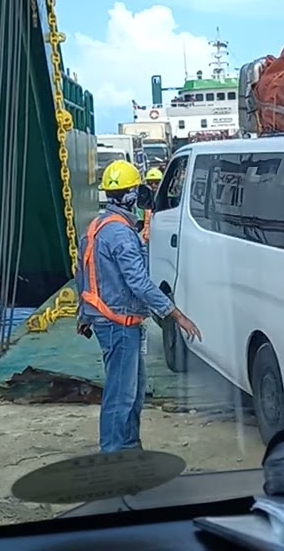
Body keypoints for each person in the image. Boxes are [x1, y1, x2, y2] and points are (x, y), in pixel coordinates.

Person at [76, 159, 202, 453]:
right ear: (131, 195)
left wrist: (84, 314)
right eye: (138, 189)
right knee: (121, 394)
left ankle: (130, 446)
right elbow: (139, 283)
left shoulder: (96, 227)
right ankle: (114, 452)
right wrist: (175, 314)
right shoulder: (121, 234)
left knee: (133, 391)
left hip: (109, 321)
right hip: (119, 323)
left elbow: (82, 272)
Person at [139, 167, 163, 245]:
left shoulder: (166, 199)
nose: (153, 185)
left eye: (156, 182)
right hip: (147, 240)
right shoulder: (142, 202)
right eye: (150, 183)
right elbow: (139, 222)